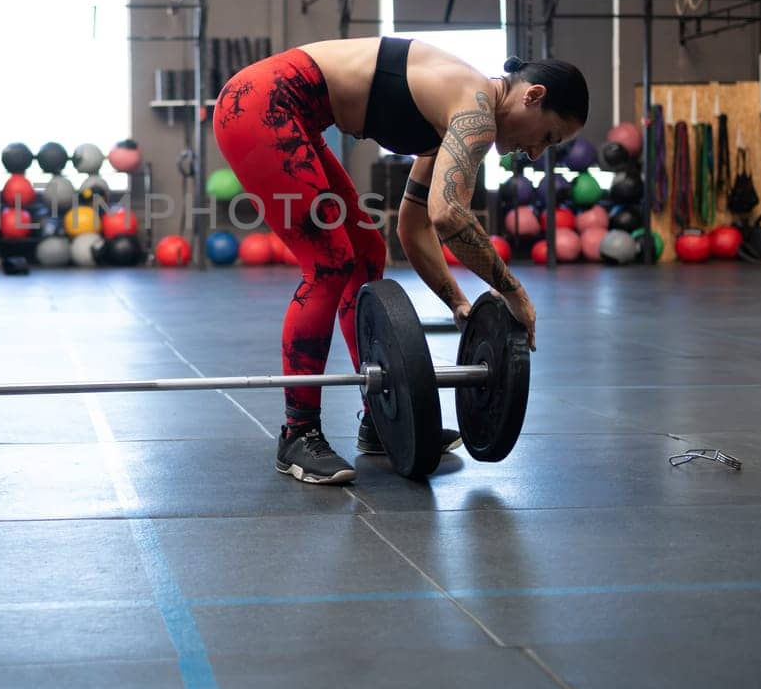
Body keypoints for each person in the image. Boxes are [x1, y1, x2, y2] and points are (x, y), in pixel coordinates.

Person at [214, 37, 588, 484]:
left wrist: (458, 304)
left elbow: (414, 226)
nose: (535, 153)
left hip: (290, 113)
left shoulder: (454, 116)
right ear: (534, 96)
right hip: (261, 104)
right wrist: (514, 291)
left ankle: (378, 417)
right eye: (547, 136)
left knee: (366, 250)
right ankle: (298, 433)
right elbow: (449, 214)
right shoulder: (473, 110)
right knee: (329, 259)